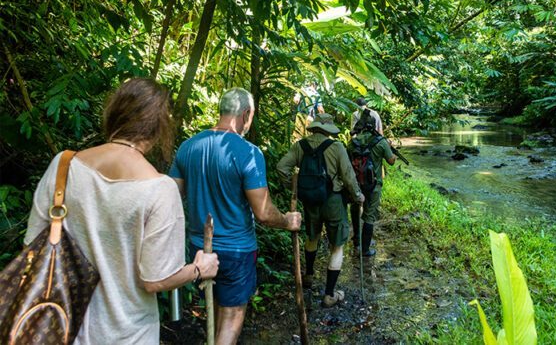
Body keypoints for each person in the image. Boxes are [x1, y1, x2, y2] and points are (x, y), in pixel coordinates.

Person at [24, 78, 219, 344]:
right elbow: (155, 280)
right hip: (129, 334)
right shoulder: (160, 189)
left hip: (61, 328)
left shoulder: (64, 165)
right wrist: (199, 268)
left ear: (114, 114)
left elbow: (32, 246)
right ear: (159, 128)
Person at [170, 87, 302, 345]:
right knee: (232, 315)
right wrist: (288, 221)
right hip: (236, 251)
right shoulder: (248, 152)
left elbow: (171, 196)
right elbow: (263, 213)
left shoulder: (188, 147)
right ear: (246, 114)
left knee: (218, 303)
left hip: (200, 249)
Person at [277, 113, 365, 308]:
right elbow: (348, 176)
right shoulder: (336, 147)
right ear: (329, 130)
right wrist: (358, 196)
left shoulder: (300, 146)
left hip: (310, 200)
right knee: (337, 245)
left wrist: (295, 190)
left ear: (314, 127)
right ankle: (329, 294)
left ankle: (308, 275)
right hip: (333, 200)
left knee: (312, 236)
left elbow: (282, 167)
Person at [349, 112, 396, 256]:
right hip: (373, 185)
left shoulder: (352, 143)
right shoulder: (380, 142)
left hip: (356, 184)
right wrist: (389, 147)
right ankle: (365, 249)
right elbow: (391, 161)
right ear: (374, 126)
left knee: (355, 210)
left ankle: (357, 241)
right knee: (369, 215)